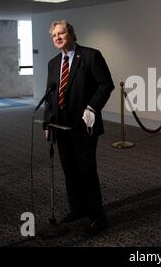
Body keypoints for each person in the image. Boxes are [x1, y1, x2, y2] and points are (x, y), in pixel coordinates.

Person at [43, 20, 114, 237]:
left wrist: (92, 106)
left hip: (84, 127)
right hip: (61, 128)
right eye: (54, 35)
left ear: (72, 34)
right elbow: (50, 95)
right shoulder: (53, 63)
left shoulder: (91, 56)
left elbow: (106, 85)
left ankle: (97, 218)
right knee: (70, 172)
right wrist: (47, 122)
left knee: (86, 172)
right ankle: (78, 209)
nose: (57, 37)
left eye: (61, 33)